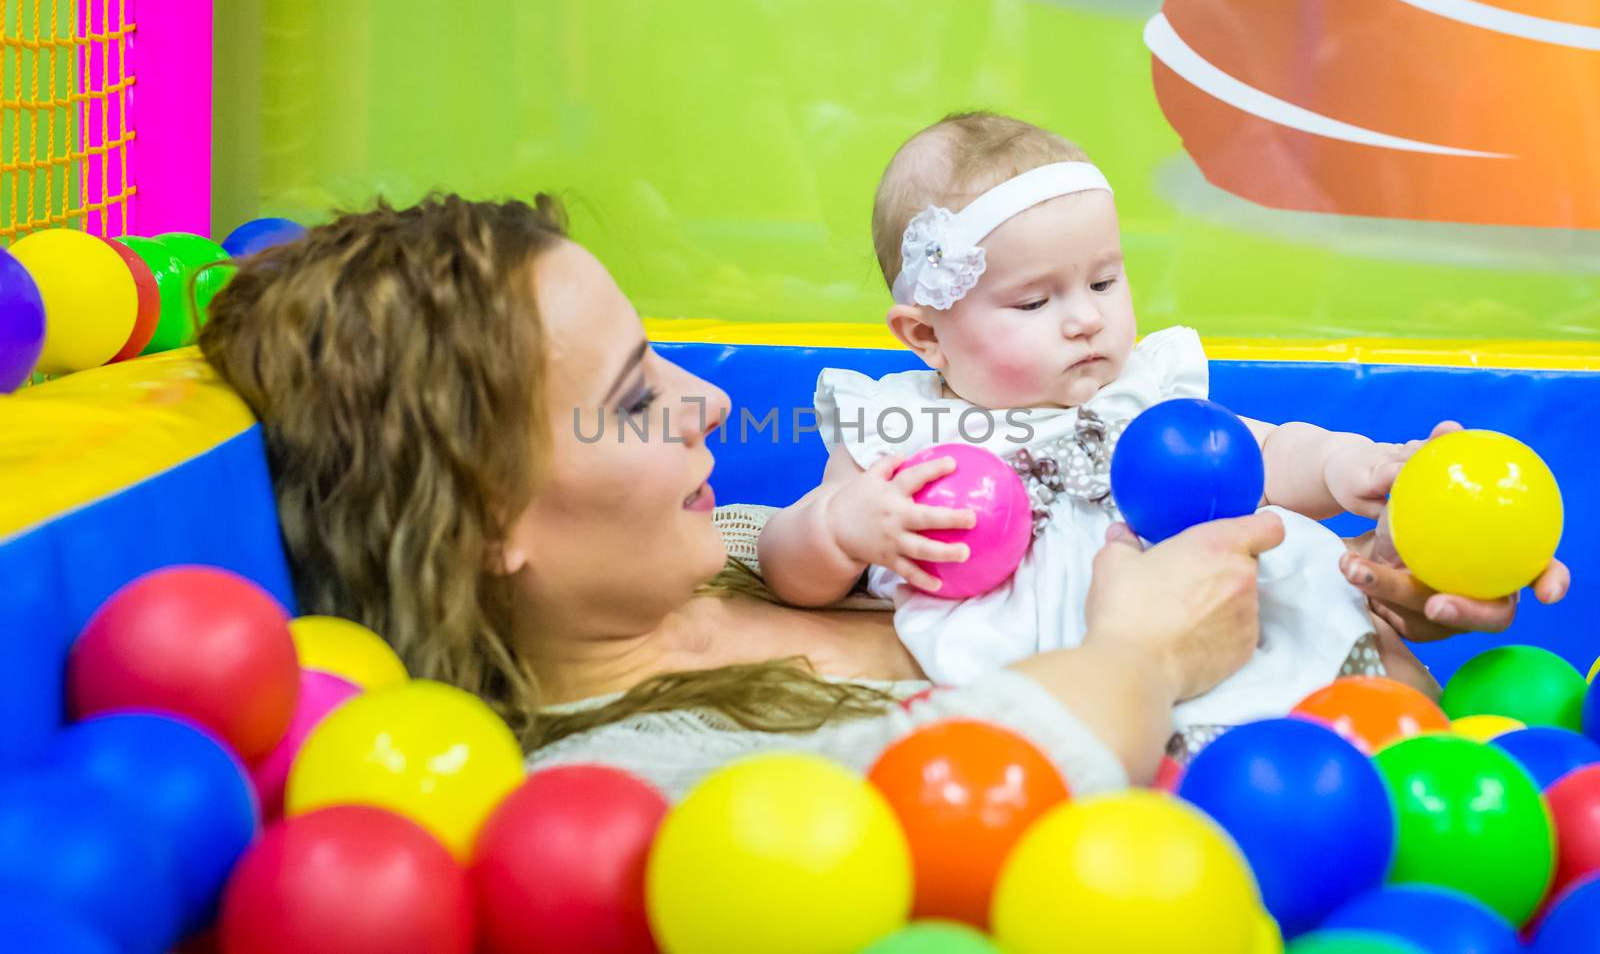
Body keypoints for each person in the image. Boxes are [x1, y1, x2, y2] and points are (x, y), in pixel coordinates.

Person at [198, 193, 1563, 799]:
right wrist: (1144, 656)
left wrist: (1348, 596)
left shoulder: (747, 549)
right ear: (488, 523)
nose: (715, 402)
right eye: (631, 399)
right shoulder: (604, 781)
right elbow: (932, 818)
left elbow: (1099, 534)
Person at [756, 112, 1571, 753]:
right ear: (926, 336)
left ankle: (1415, 762)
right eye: (1035, 302)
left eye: (1104, 280)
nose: (1084, 319)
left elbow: (1262, 449)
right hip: (1064, 671)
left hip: (1233, 609)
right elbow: (785, 568)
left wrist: (1343, 464)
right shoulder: (896, 426)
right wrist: (840, 526)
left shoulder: (1143, 388)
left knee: (1371, 659)